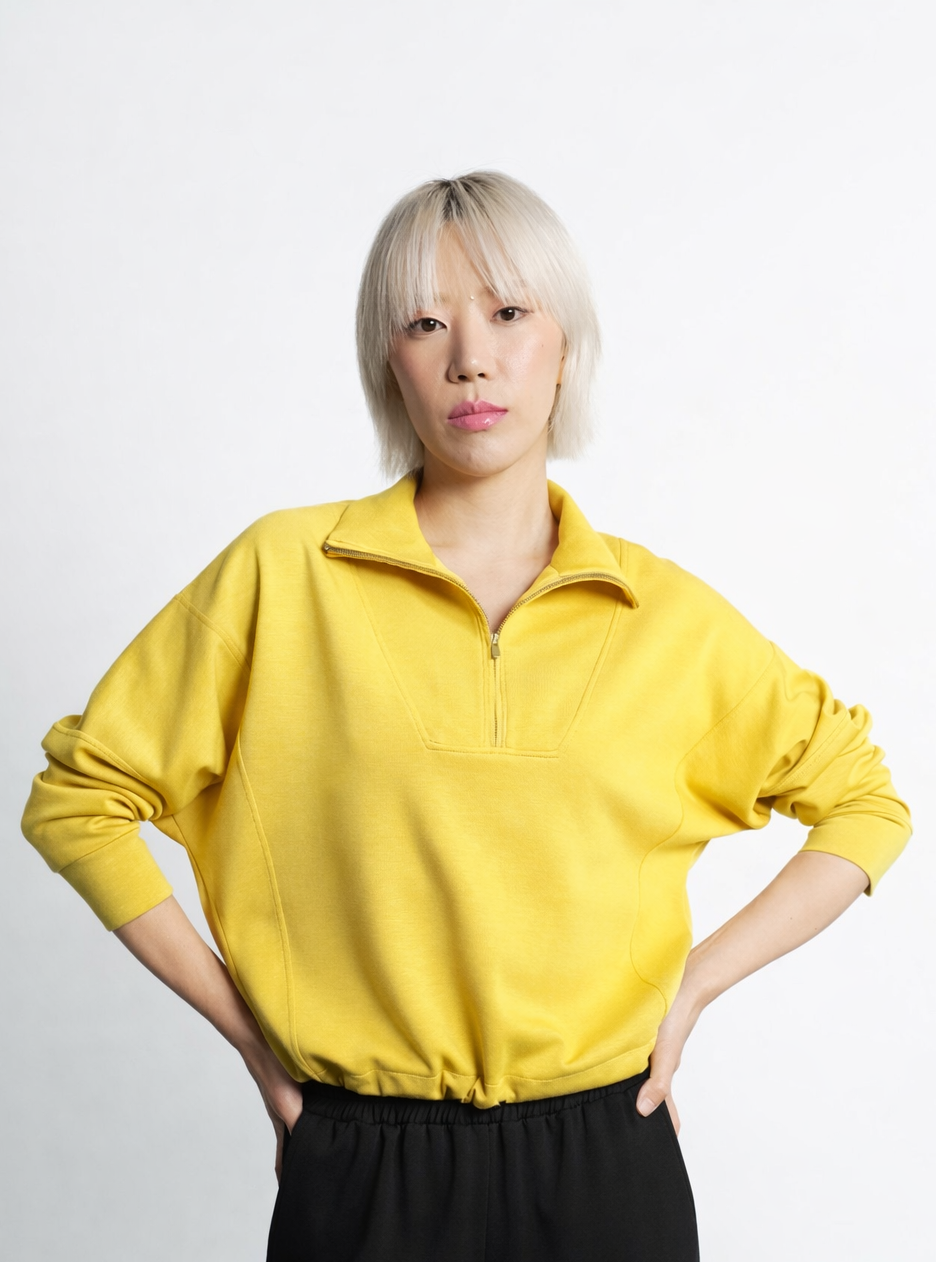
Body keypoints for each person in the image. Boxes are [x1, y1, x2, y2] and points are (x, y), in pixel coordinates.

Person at [21, 171, 911, 1262]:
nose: (471, 359)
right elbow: (80, 800)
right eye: (425, 323)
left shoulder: (665, 616)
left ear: (565, 346)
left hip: (606, 1158)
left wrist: (692, 990)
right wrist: (252, 1041)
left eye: (509, 312)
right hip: (361, 1165)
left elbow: (865, 803)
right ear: (387, 360)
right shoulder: (281, 576)